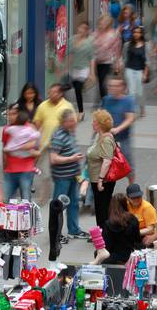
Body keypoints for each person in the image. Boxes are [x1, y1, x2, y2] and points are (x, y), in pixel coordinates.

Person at [33, 83, 75, 200]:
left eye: (55, 92)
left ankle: (60, 197)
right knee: (45, 174)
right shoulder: (42, 106)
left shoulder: (67, 106)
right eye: (50, 92)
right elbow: (37, 124)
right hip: (46, 146)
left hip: (63, 146)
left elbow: (72, 125)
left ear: (61, 93)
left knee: (61, 175)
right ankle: (44, 198)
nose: (52, 94)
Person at [50, 109, 88, 239]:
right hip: (62, 178)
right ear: (64, 122)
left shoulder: (70, 132)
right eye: (72, 121)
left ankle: (74, 230)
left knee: (73, 204)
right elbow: (53, 158)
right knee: (58, 206)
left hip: (72, 176)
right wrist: (72, 158)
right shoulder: (58, 136)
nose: (75, 122)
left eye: (75, 120)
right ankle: (55, 233)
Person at [102, 76, 136, 184]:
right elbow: (102, 116)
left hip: (122, 138)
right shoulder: (106, 99)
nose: (113, 88)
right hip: (106, 137)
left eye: (117, 86)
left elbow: (130, 118)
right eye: (111, 86)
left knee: (127, 163)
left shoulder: (128, 100)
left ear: (123, 87)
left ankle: (131, 186)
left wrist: (118, 129)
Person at [87, 109, 117, 228]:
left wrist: (100, 179)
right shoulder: (100, 137)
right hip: (97, 179)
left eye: (94, 121)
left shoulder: (106, 140)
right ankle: (101, 235)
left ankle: (105, 238)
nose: (92, 123)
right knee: (100, 209)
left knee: (102, 210)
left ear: (99, 124)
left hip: (103, 182)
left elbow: (107, 160)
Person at [2, 105, 39, 201]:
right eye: (9, 114)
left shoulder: (29, 128)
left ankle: (27, 216)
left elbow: (37, 149)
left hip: (26, 169)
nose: (10, 117)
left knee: (25, 201)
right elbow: (4, 149)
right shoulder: (7, 129)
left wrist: (32, 165)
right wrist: (4, 166)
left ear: (19, 114)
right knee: (7, 201)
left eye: (13, 114)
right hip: (9, 170)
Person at [101, 193, 143, 264]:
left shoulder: (109, 223)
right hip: (130, 255)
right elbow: (137, 240)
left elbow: (107, 246)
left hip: (114, 257)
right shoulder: (133, 219)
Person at [67, 21, 95, 120]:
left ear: (87, 31)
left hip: (84, 68)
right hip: (74, 68)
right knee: (76, 88)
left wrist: (92, 73)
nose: (81, 30)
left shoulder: (89, 43)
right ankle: (83, 86)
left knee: (78, 88)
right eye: (80, 27)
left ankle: (81, 112)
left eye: (84, 28)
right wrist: (65, 67)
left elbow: (92, 58)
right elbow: (70, 55)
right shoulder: (71, 40)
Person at [94, 14, 122, 101]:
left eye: (104, 22)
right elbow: (91, 46)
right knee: (100, 83)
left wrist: (118, 63)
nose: (102, 24)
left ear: (109, 23)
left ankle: (105, 103)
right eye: (101, 22)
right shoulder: (96, 33)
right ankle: (104, 101)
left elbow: (117, 49)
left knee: (104, 83)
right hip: (97, 62)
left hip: (108, 61)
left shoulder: (114, 34)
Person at [123, 26, 149, 117]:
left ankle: (142, 109)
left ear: (141, 34)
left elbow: (147, 61)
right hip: (129, 69)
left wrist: (145, 74)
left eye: (138, 32)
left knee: (140, 91)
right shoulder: (127, 45)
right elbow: (124, 59)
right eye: (134, 32)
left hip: (140, 70)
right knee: (131, 91)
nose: (136, 34)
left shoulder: (146, 46)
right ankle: (131, 111)